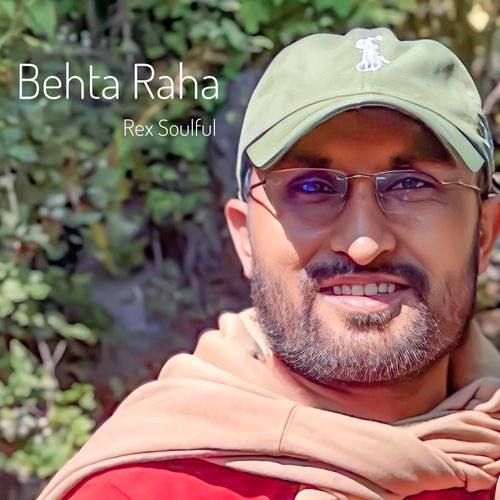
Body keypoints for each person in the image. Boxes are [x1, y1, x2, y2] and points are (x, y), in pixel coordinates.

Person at [39, 27, 500, 500]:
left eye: (411, 185)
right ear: (245, 238)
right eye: (311, 187)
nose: (363, 244)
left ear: (483, 233)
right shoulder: (138, 491)